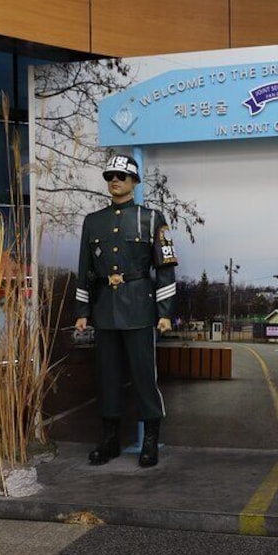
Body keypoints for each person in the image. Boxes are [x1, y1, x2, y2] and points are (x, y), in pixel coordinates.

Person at [75, 154, 178, 468]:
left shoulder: (151, 219)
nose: (114, 181)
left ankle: (150, 440)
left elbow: (165, 268)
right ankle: (109, 441)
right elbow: (85, 270)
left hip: (139, 308)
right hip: (105, 309)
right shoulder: (93, 221)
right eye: (110, 176)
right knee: (107, 376)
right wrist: (83, 310)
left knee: (144, 376)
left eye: (121, 175)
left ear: (134, 180)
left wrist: (164, 311)